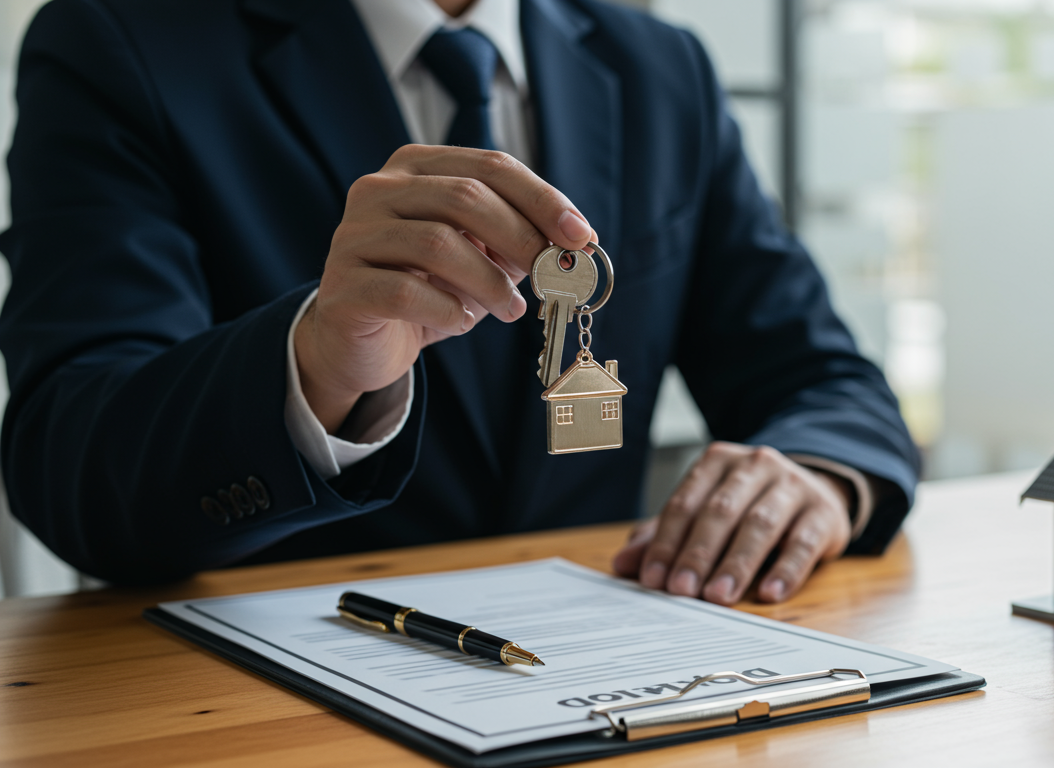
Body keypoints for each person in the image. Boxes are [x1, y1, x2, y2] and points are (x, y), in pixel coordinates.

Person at [0, 0, 921, 605]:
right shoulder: (123, 41)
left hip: (612, 673)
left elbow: (822, 377)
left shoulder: (659, 66)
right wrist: (313, 365)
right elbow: (70, 462)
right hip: (270, 708)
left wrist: (815, 477)